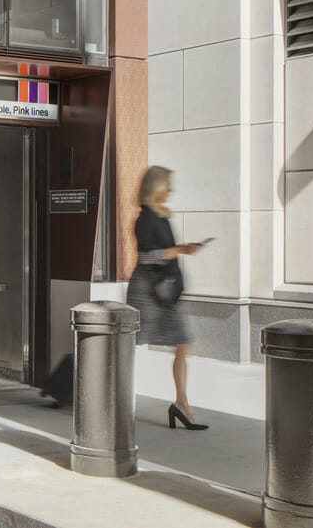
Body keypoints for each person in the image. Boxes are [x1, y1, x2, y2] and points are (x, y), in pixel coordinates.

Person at [126, 165, 208, 431]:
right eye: (166, 187)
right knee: (129, 344)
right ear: (155, 189)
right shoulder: (145, 218)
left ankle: (181, 404)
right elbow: (147, 256)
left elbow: (164, 253)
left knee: (183, 342)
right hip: (148, 289)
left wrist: (181, 250)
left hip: (166, 291)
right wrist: (180, 250)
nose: (170, 191)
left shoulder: (162, 216)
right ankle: (113, 398)